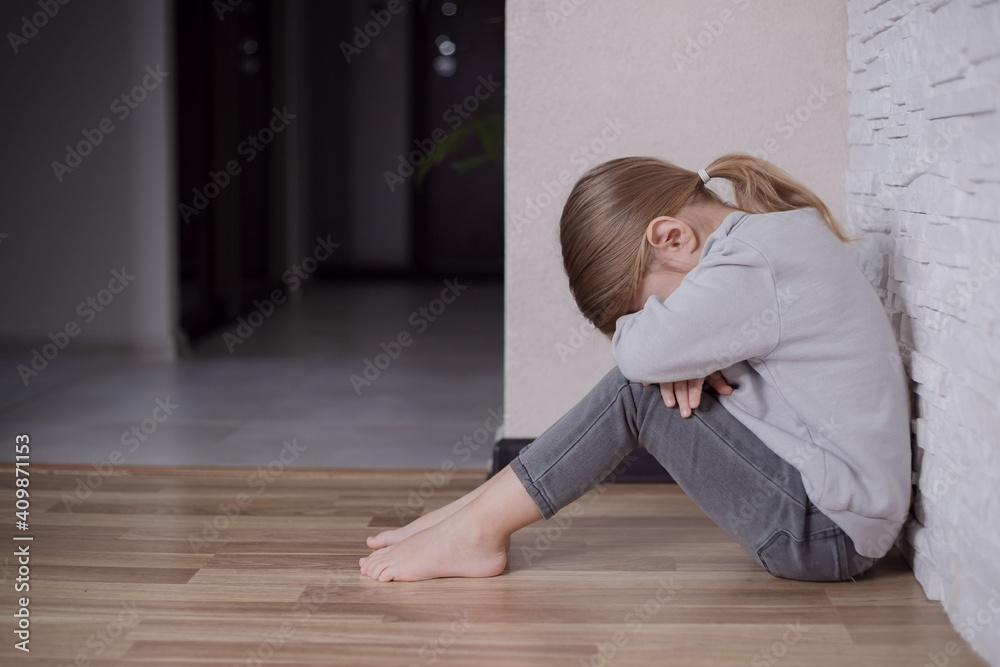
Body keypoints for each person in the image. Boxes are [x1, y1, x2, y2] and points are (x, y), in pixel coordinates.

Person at [359, 154, 912, 583]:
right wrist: (679, 352)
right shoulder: (766, 246)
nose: (662, 322)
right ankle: (470, 515)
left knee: (639, 391)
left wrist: (665, 351)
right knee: (649, 380)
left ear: (673, 238)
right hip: (831, 515)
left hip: (825, 533)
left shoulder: (752, 260)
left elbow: (639, 359)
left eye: (652, 310)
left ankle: (475, 530)